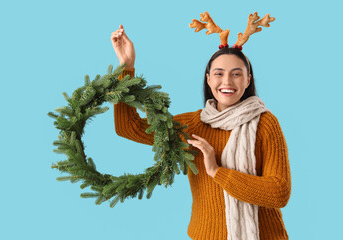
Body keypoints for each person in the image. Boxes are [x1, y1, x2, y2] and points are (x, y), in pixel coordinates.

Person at [111, 24, 291, 240]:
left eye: (236, 74)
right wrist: (126, 67)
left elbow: (278, 192)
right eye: (219, 74)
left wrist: (216, 171)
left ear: (248, 80)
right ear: (208, 79)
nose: (227, 82)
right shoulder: (194, 126)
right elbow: (128, 128)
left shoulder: (265, 123)